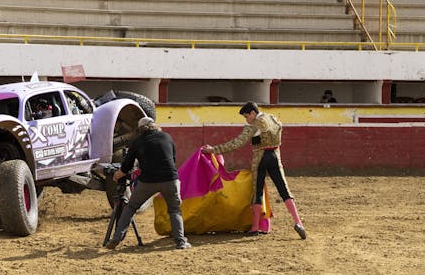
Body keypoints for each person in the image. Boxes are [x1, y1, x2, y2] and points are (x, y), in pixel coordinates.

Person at [202, 101, 307, 240]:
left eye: (246, 116)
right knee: (284, 190)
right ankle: (298, 222)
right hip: (276, 156)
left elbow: (236, 143)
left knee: (257, 191)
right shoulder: (274, 119)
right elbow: (274, 134)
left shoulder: (253, 125)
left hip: (260, 159)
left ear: (253, 112)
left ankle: (255, 227)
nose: (246, 119)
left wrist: (213, 150)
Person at [108, 117, 191, 250]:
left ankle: (116, 239)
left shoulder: (137, 142)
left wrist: (117, 175)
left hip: (148, 182)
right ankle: (181, 242)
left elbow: (127, 166)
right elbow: (173, 158)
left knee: (130, 208)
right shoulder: (167, 137)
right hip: (170, 180)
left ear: (140, 130)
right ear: (155, 126)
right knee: (174, 210)